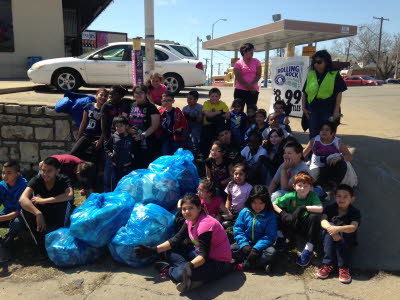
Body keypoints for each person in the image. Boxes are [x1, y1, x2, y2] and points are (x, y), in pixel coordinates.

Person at [134, 193, 233, 293]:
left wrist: (190, 265)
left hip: (218, 262)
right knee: (168, 250)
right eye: (184, 209)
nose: (186, 212)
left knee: (180, 274)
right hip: (199, 255)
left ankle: (169, 270)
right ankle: (187, 271)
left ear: (199, 208)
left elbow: (204, 255)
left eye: (190, 208)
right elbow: (175, 240)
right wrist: (152, 250)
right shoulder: (189, 220)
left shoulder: (205, 225)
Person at [19, 157, 74, 254]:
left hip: (59, 211)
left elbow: (69, 195)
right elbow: (22, 199)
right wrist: (38, 213)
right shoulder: (37, 180)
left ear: (57, 171)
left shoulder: (63, 179)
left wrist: (44, 200)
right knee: (25, 210)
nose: (45, 174)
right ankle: (41, 245)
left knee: (65, 204)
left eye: (49, 171)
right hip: (43, 212)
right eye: (43, 170)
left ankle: (61, 239)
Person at [273, 172, 323, 267]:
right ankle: (280, 237)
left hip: (304, 225)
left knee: (315, 216)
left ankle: (309, 248)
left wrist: (303, 208)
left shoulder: (312, 195)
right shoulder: (290, 196)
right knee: (277, 211)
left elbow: (320, 208)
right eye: (300, 185)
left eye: (306, 186)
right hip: (291, 222)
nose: (303, 188)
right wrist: (283, 214)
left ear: (311, 187)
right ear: (294, 186)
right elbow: (274, 204)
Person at [317, 184, 361, 284]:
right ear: (335, 197)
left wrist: (337, 230)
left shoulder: (355, 212)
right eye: (339, 196)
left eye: (345, 196)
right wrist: (332, 231)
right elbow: (323, 221)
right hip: (330, 239)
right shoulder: (330, 208)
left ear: (352, 199)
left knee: (346, 230)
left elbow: (353, 227)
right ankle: (328, 264)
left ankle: (344, 268)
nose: (342, 199)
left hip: (346, 240)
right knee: (329, 227)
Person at [302, 50, 347, 138]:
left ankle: (327, 151)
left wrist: (336, 111)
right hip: (312, 109)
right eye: (314, 62)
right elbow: (304, 93)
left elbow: (339, 93)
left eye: (319, 62)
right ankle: (313, 151)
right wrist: (303, 107)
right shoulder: (311, 75)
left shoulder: (334, 75)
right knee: (313, 133)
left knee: (326, 133)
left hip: (327, 109)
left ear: (326, 62)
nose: (316, 64)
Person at [232, 185, 277, 272]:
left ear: (266, 202)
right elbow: (238, 229)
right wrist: (244, 244)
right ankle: (261, 264)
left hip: (262, 247)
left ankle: (245, 265)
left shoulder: (270, 215)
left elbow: (270, 235)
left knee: (271, 252)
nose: (257, 206)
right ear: (250, 201)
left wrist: (256, 248)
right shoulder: (244, 212)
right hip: (246, 244)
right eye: (255, 203)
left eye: (261, 203)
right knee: (231, 249)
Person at [303, 121, 353, 191]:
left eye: (327, 130)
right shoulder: (314, 140)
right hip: (317, 167)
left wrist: (340, 157)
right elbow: (303, 154)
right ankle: (324, 183)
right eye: (322, 129)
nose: (324, 132)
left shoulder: (338, 142)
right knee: (311, 182)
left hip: (332, 167)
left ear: (333, 133)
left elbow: (350, 157)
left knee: (342, 163)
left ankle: (334, 183)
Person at [125, 85, 160, 169]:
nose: (139, 94)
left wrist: (142, 135)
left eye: (141, 92)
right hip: (131, 140)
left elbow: (154, 126)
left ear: (146, 94)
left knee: (144, 165)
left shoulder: (151, 107)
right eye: (136, 92)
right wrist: (129, 129)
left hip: (146, 141)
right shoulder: (130, 105)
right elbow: (124, 121)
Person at [71, 88, 109, 162]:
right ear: (96, 95)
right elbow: (84, 122)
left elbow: (106, 127)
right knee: (74, 152)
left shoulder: (107, 110)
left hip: (98, 137)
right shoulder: (89, 106)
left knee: (95, 158)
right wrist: (79, 136)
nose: (103, 97)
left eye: (105, 96)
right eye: (101, 95)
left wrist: (101, 140)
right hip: (87, 135)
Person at [0, 161, 27, 262]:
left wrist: (1, 218)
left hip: (22, 215)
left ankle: (8, 242)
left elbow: (18, 212)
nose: (4, 176)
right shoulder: (2, 185)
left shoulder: (24, 186)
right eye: (3, 173)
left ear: (17, 174)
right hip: (7, 212)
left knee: (17, 223)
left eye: (9, 173)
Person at [104, 116, 135, 191]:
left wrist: (132, 155)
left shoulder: (131, 137)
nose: (119, 128)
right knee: (115, 184)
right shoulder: (113, 136)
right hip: (115, 166)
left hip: (127, 167)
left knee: (126, 185)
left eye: (121, 126)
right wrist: (110, 153)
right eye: (117, 126)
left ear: (126, 126)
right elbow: (106, 147)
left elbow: (134, 149)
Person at [200, 88, 230, 156]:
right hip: (207, 126)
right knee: (206, 142)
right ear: (209, 96)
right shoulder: (206, 103)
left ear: (219, 97)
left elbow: (227, 116)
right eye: (212, 96)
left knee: (219, 119)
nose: (214, 98)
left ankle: (222, 153)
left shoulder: (222, 103)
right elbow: (208, 114)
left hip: (218, 126)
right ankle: (205, 155)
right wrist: (219, 112)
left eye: (216, 96)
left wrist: (214, 113)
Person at [233, 43, 262, 111]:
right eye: (250, 50)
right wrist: (249, 87)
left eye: (252, 50)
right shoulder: (238, 63)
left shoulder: (257, 61)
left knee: (252, 112)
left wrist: (252, 87)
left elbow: (258, 75)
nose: (252, 52)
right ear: (244, 51)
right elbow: (238, 77)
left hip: (253, 91)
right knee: (238, 111)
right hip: (240, 91)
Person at [182, 91, 202, 158]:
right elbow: (182, 120)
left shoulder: (200, 107)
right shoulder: (185, 108)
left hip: (197, 124)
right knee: (184, 135)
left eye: (190, 99)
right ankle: (187, 149)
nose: (188, 101)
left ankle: (197, 152)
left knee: (195, 135)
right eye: (187, 99)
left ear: (196, 100)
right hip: (187, 124)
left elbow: (200, 120)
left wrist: (194, 117)